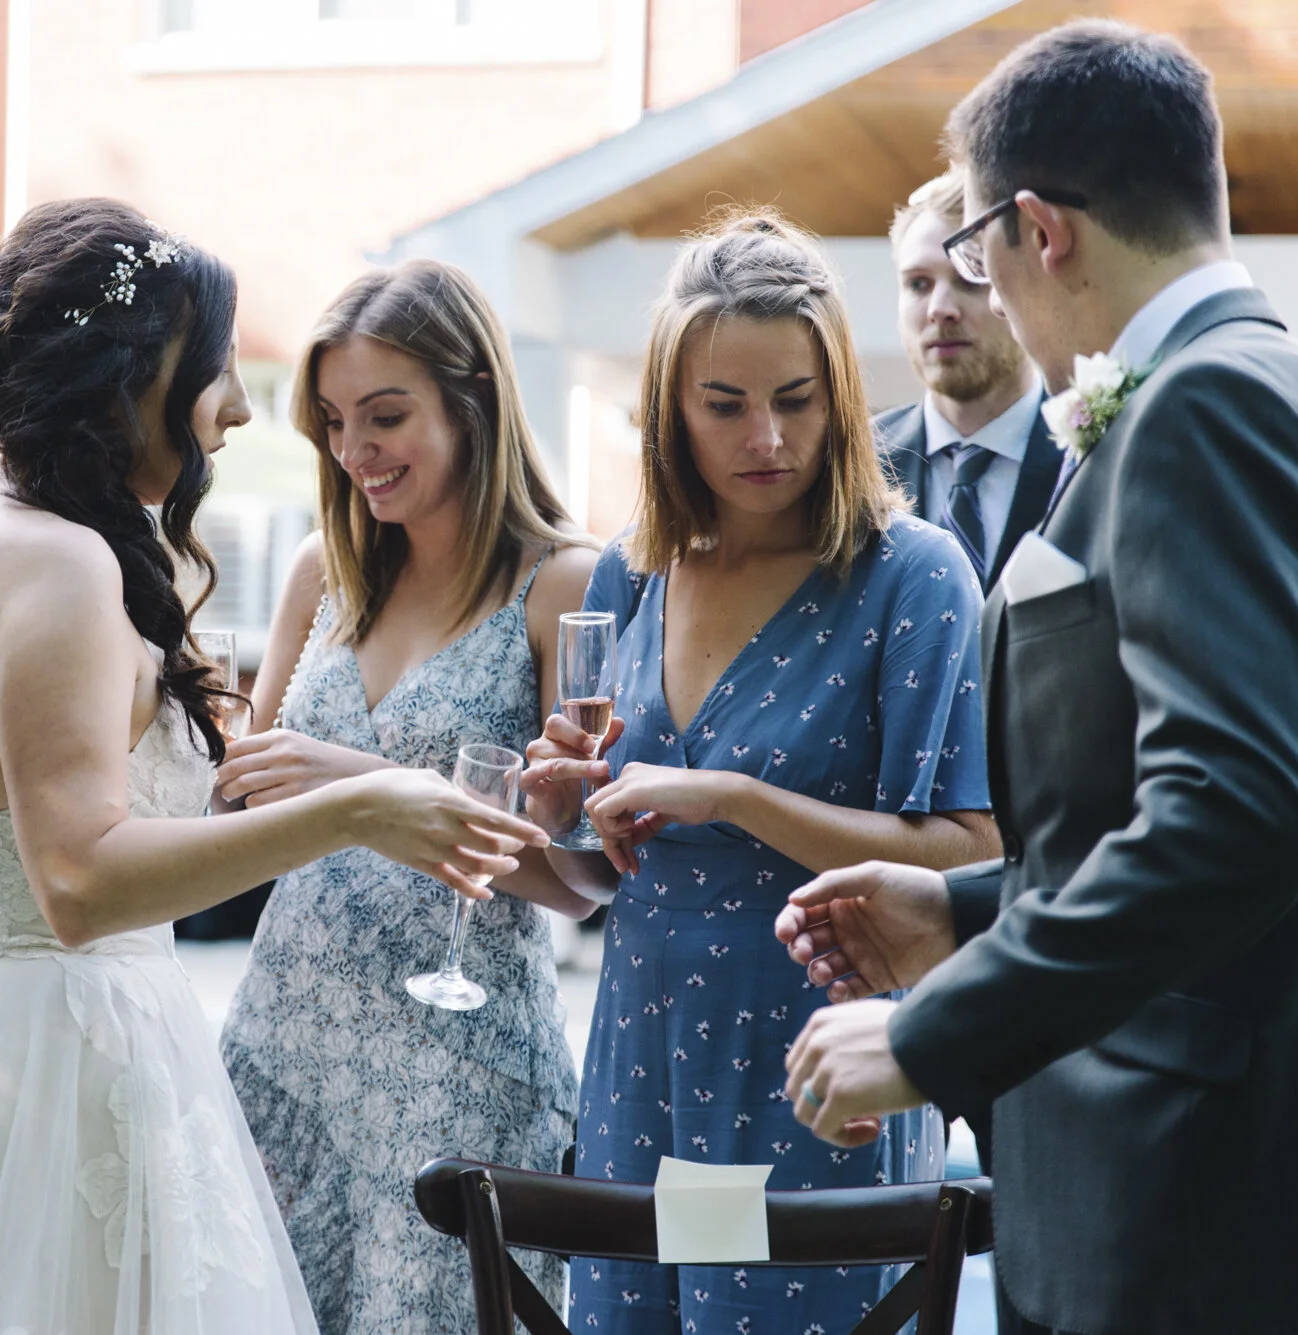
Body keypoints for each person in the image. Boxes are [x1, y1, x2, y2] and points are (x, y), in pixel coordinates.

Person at [0, 199, 550, 1333]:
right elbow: (77, 881)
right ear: (133, 381)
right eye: (215, 371)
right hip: (53, 1073)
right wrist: (358, 809)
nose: (234, 410)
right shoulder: (63, 565)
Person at [777, 22, 1298, 1335]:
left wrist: (935, 1030)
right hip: (1245, 1177)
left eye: (979, 254)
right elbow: (1208, 804)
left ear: (1040, 230)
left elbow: (1245, 809)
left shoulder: (1208, 409)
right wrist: (960, 909)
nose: (986, 296)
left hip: (1200, 1199)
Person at [522, 209, 998, 1335]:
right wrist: (569, 810)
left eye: (795, 398)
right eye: (723, 405)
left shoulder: (912, 575)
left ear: (838, 393)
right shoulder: (632, 573)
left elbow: (968, 856)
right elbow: (597, 873)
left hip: (811, 1059)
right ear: (669, 410)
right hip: (641, 1052)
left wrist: (729, 797)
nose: (766, 438)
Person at [215, 259, 598, 1334]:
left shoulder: (564, 582)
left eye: (385, 416)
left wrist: (365, 783)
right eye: (335, 423)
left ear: (472, 398)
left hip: (455, 1069)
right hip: (286, 1048)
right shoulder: (322, 571)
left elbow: (581, 881)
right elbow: (247, 801)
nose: (355, 452)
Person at [875, 170, 1060, 591]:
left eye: (969, 278)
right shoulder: (855, 465)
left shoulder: (1094, 453)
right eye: (918, 284)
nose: (940, 309)